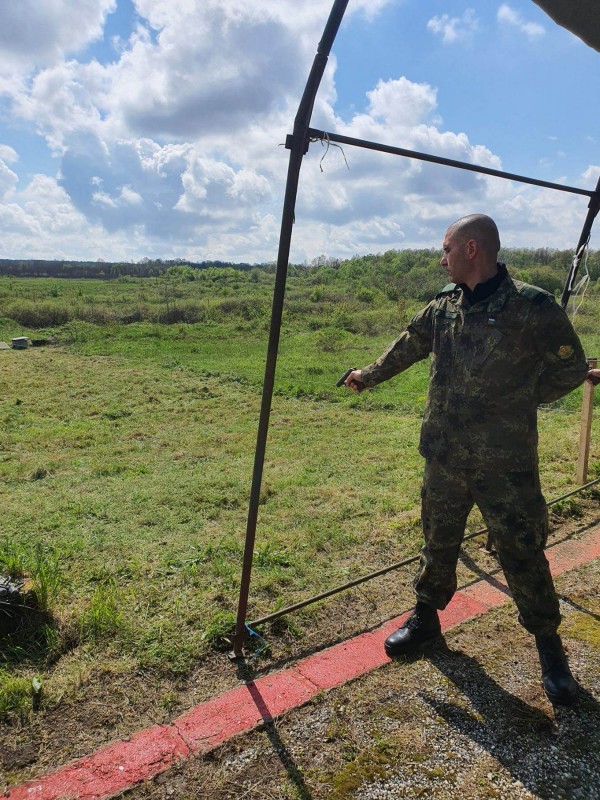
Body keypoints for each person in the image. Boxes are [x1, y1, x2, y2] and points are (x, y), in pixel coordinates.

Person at [344, 214, 593, 706]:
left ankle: (550, 649)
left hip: (507, 462)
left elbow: (570, 366)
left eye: (446, 248)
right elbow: (409, 345)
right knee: (437, 541)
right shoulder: (444, 306)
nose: (442, 258)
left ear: (472, 249)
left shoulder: (532, 306)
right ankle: (426, 620)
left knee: (521, 551)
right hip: (445, 455)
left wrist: (522, 397)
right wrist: (367, 375)